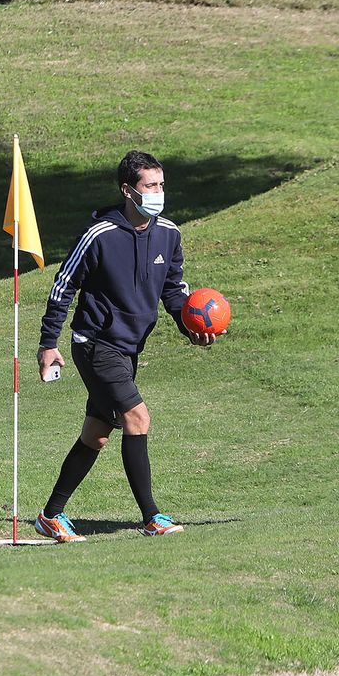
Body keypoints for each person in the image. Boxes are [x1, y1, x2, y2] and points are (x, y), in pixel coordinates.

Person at [33, 150, 215, 542]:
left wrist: (191, 326)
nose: (159, 192)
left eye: (161, 185)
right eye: (151, 186)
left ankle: (51, 515)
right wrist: (49, 343)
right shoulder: (99, 235)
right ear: (128, 190)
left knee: (97, 433)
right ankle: (152, 517)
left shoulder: (169, 233)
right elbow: (63, 287)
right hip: (95, 343)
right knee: (138, 418)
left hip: (129, 348)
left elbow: (174, 291)